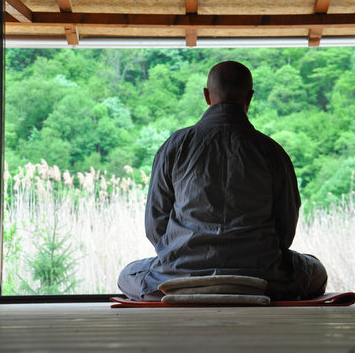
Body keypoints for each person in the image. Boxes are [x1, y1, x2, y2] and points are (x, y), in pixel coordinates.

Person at [118, 61, 327, 301]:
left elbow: (155, 225)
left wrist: (180, 257)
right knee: (316, 271)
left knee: (128, 275)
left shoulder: (175, 146)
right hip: (262, 275)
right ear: (250, 97)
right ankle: (244, 286)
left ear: (207, 95)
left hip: (181, 273)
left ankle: (185, 288)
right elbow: (285, 230)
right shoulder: (272, 151)